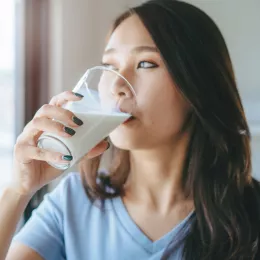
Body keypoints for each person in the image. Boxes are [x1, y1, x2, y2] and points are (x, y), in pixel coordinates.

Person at [1, 0, 260, 259]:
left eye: (146, 64)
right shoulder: (74, 201)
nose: (116, 86)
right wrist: (18, 190)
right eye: (110, 66)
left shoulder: (250, 215)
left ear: (198, 85)